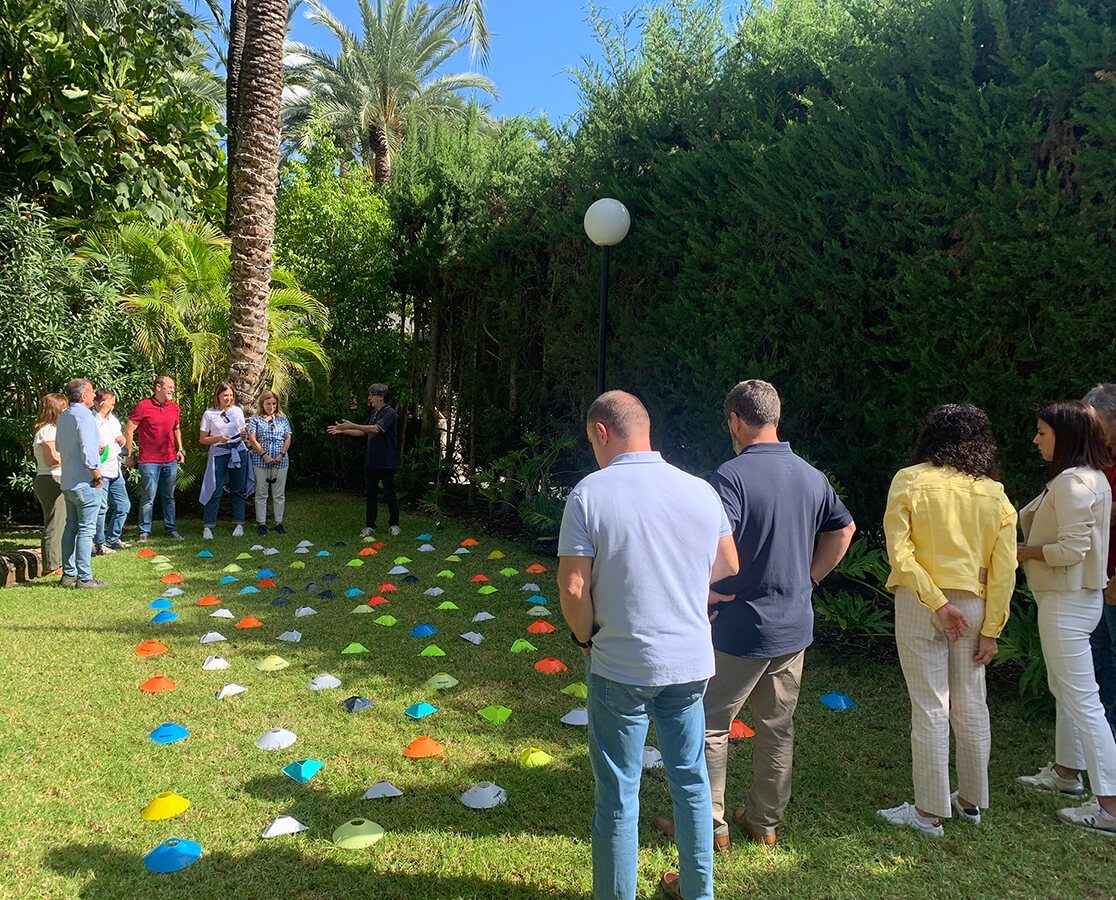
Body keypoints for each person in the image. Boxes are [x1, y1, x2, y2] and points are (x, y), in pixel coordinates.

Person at [659, 380, 855, 850]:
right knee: (777, 724)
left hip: (741, 626)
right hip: (793, 627)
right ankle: (765, 822)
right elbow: (843, 529)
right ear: (776, 417)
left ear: (736, 421)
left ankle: (710, 826)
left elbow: (712, 545)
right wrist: (810, 578)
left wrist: (703, 588)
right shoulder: (811, 474)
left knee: (709, 724)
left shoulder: (731, 477)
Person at [557, 391, 739, 900]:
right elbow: (729, 564)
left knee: (618, 794)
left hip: (620, 664)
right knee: (691, 781)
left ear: (601, 431)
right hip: (689, 663)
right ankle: (698, 892)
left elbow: (573, 587)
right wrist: (680, 584)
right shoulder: (700, 490)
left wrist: (582, 636)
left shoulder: (589, 494)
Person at [876, 404, 1017, 836]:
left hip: (923, 603)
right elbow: (1005, 568)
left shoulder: (910, 480)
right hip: (973, 605)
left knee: (930, 705)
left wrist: (937, 602)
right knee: (972, 702)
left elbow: (901, 555)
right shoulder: (994, 494)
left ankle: (928, 812)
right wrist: (992, 628)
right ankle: (971, 801)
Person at [1016, 400, 1116, 836]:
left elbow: (1071, 551)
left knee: (1083, 700)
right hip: (1073, 598)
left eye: (1042, 432)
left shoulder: (1076, 483)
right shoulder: (1084, 477)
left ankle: (1111, 806)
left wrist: (1022, 553)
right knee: (1068, 690)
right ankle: (1066, 773)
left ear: (1066, 436)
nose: (1036, 440)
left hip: (1067, 599)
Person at [1083, 383, 1116, 734]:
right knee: (1100, 661)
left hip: (1113, 577)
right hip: (1099, 577)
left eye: (1096, 421)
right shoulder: (1101, 457)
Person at [327, 383, 400, 537]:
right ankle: (370, 526)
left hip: (386, 461)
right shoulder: (374, 412)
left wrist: (352, 424)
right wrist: (344, 430)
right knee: (371, 494)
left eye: (372, 395)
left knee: (389, 493)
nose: (369, 398)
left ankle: (394, 525)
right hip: (371, 461)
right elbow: (363, 431)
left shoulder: (390, 413)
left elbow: (375, 429)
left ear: (381, 397)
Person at [54, 379, 107, 588]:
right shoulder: (85, 416)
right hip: (86, 482)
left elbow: (60, 446)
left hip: (68, 481)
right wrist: (97, 475)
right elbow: (86, 451)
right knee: (86, 530)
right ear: (83, 396)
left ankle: (69, 575)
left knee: (71, 528)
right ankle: (84, 577)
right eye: (92, 392)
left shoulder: (64, 416)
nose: (95, 396)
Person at [124, 375, 185, 542]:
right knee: (148, 496)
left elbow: (177, 428)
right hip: (149, 461)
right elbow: (129, 429)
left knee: (169, 496)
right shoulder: (144, 406)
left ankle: (171, 529)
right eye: (169, 386)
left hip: (170, 459)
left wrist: (180, 449)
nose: (173, 389)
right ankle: (144, 531)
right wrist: (128, 454)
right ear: (158, 387)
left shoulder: (174, 407)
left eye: (173, 387)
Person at [198, 381, 252, 540]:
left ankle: (239, 524)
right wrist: (218, 438)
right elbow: (203, 439)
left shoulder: (237, 411)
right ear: (218, 396)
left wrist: (244, 435)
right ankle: (208, 526)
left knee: (238, 488)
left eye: (230, 395)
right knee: (214, 488)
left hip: (238, 451)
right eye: (225, 395)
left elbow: (243, 431)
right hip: (219, 453)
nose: (228, 398)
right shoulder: (209, 414)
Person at [246, 390, 292, 535]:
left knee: (279, 493)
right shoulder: (255, 419)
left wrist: (281, 454)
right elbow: (252, 439)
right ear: (262, 404)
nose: (271, 406)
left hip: (280, 461)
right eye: (268, 404)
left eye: (274, 403)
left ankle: (279, 522)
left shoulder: (282, 418)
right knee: (261, 492)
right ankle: (261, 523)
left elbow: (288, 437)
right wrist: (264, 455)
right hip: (260, 461)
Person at [32, 393, 67, 577]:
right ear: (56, 409)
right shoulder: (48, 430)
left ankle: (58, 562)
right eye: (64, 407)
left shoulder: (53, 430)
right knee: (55, 523)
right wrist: (72, 458)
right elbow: (52, 458)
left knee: (60, 522)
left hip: (54, 478)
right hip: (51, 478)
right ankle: (51, 566)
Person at [93, 388, 131, 555]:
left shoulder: (113, 420)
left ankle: (112, 539)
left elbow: (119, 440)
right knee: (101, 508)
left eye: (113, 403)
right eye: (109, 403)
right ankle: (99, 543)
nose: (111, 407)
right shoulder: (92, 421)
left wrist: (122, 441)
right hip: (100, 471)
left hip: (115, 470)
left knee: (123, 506)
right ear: (98, 403)